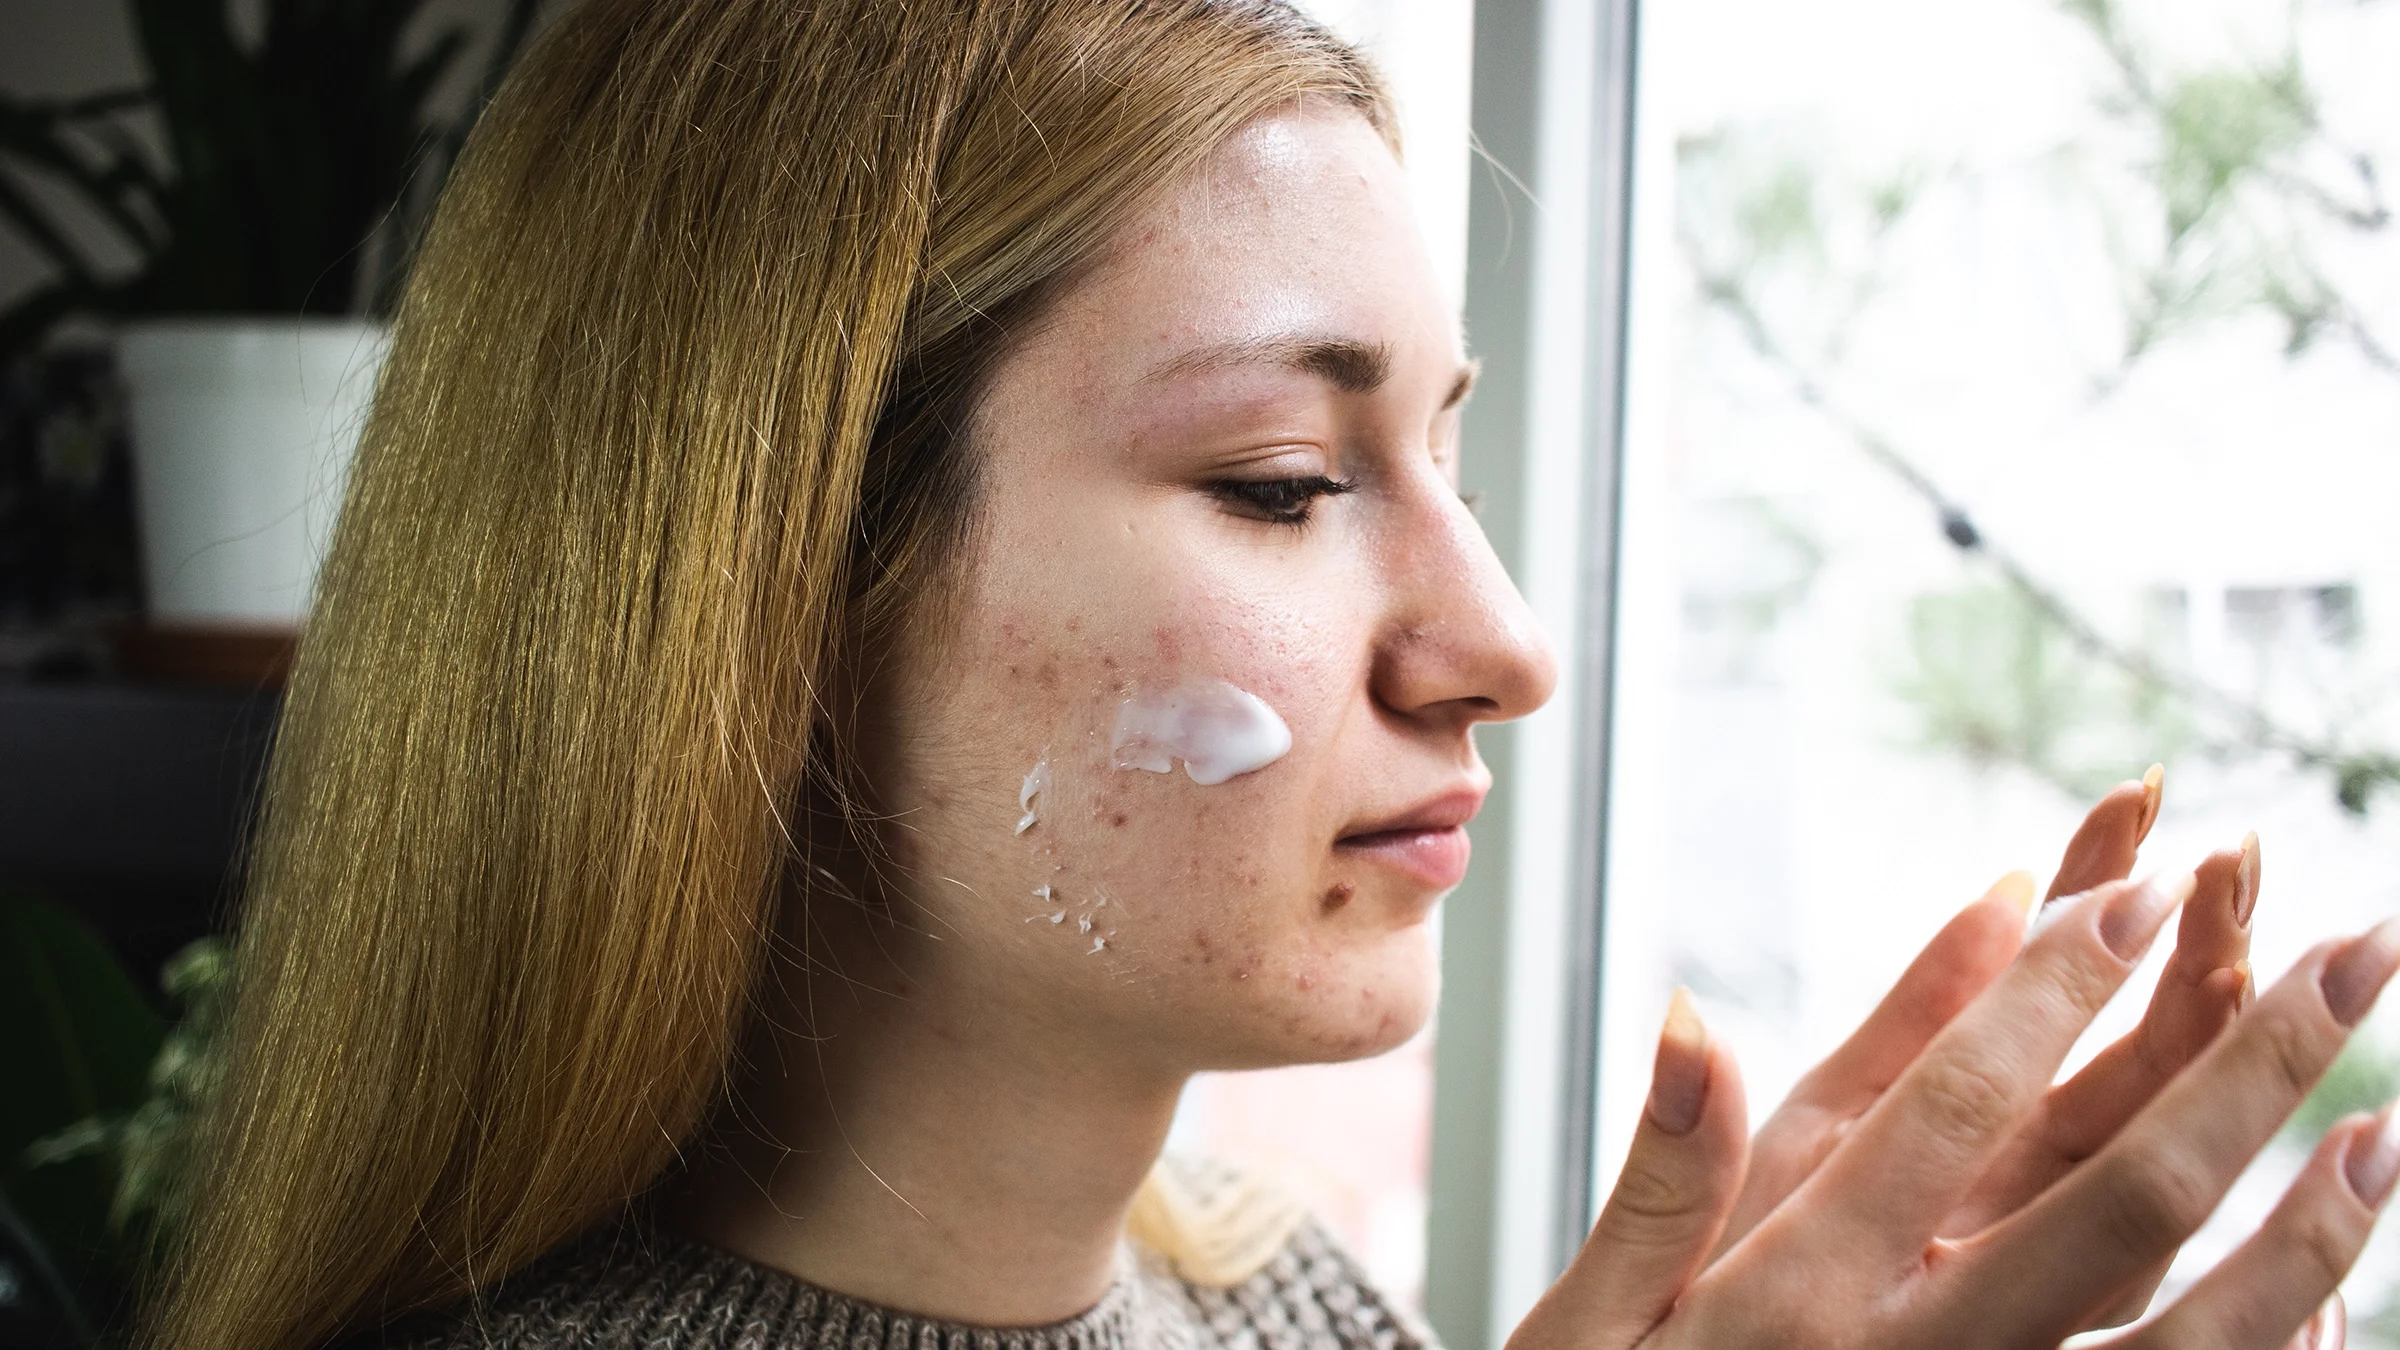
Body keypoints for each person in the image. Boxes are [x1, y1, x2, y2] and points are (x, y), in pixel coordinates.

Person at [145, 1, 2399, 1347]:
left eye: (1451, 447)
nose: (1502, 647)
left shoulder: (1273, 1299)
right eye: (1284, 479)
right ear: (765, 612)